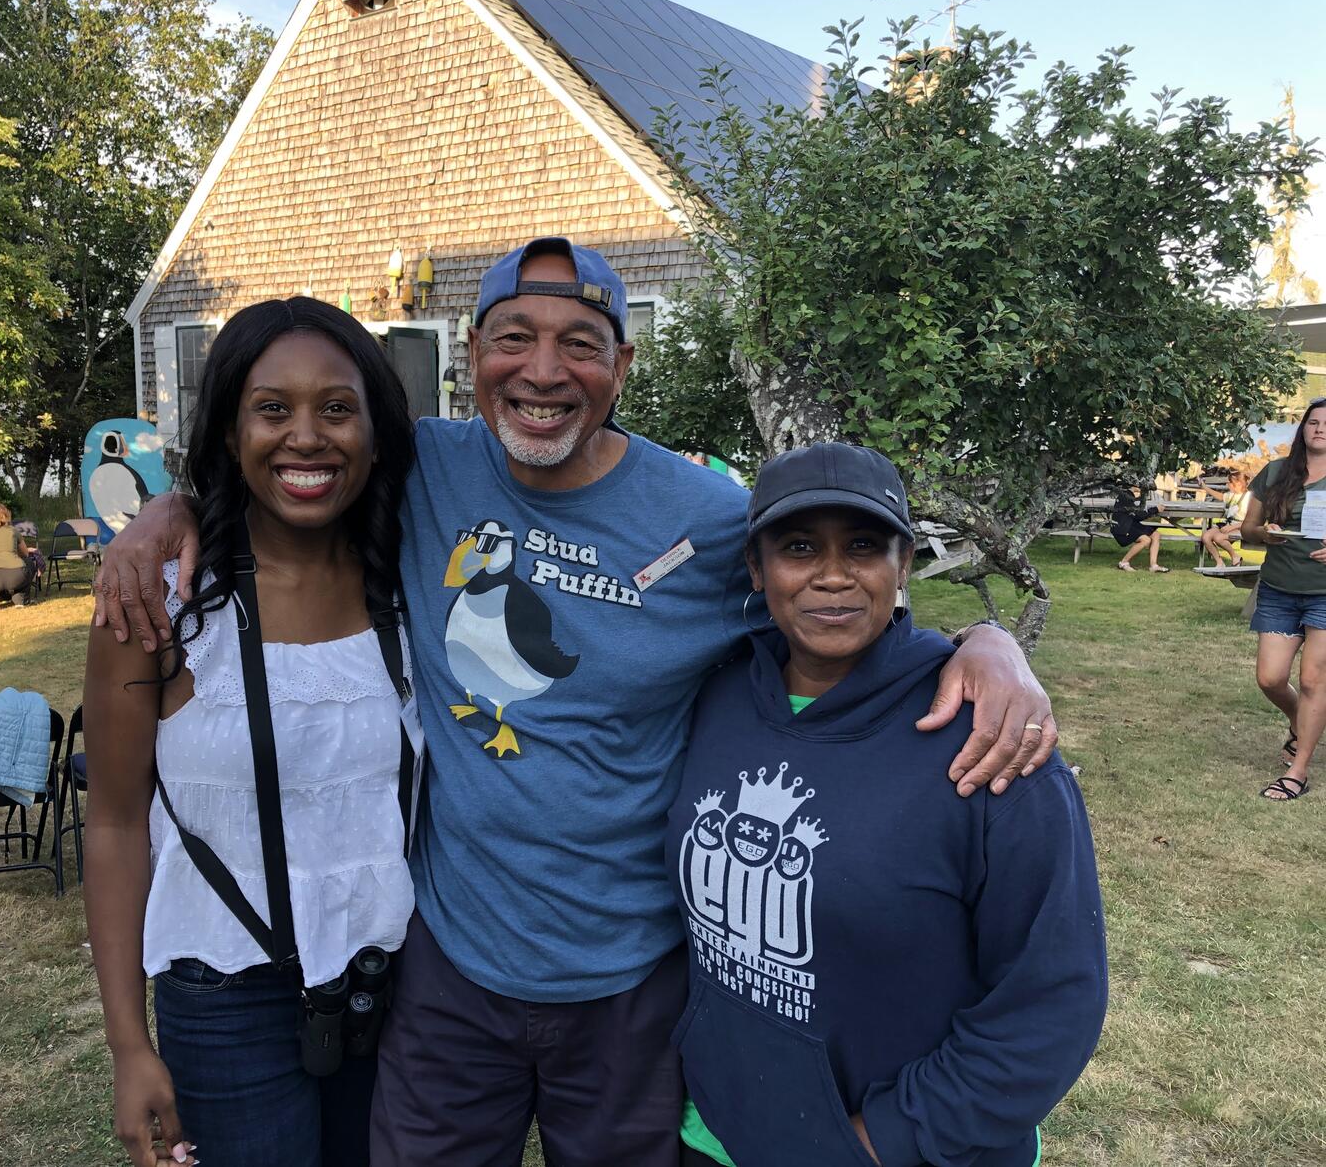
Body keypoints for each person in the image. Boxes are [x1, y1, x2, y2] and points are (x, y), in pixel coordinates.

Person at [94, 238, 1060, 1165]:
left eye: (580, 345)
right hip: (447, 972)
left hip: (631, 985)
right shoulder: (423, 466)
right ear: (472, 354)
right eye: (514, 338)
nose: (543, 373)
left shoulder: (710, 521)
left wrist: (986, 643)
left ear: (623, 365)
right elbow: (286, 460)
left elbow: (832, 592)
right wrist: (164, 514)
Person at [667, 443, 1107, 1167]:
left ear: (903, 565)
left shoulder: (991, 741)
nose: (833, 575)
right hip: (717, 1136)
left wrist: (880, 1142)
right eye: (799, 547)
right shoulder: (717, 697)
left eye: (864, 547)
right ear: (756, 568)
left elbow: (1050, 1001)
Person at [81, 297, 419, 1167]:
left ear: (376, 432)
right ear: (230, 433)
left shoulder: (419, 577)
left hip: (394, 983)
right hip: (224, 994)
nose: (306, 436)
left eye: (337, 409)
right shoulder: (158, 602)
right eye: (272, 409)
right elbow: (116, 825)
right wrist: (129, 1045)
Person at [1241, 398, 1326, 801]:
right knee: (1270, 678)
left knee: (1313, 680)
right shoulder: (1276, 471)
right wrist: (1265, 535)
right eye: (1313, 422)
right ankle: (1303, 722)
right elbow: (1247, 529)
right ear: (1302, 428)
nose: (1320, 429)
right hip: (1278, 589)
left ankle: (1298, 770)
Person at [1200, 469, 1252, 566]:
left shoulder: (1249, 498)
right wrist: (1204, 487)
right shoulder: (1232, 495)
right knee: (1206, 537)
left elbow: (1250, 520)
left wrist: (1232, 527)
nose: (1228, 484)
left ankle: (1235, 556)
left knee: (1218, 538)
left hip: (1239, 527)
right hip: (1226, 524)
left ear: (1239, 484)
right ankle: (1219, 562)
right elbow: (1220, 496)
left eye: (1230, 482)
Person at [1110, 488, 1168, 572]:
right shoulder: (1126, 496)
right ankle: (1123, 563)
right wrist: (1155, 510)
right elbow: (1138, 515)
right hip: (1122, 528)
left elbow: (1135, 515)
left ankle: (1153, 566)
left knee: (1156, 535)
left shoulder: (1129, 495)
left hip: (1130, 524)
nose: (1142, 487)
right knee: (1145, 540)